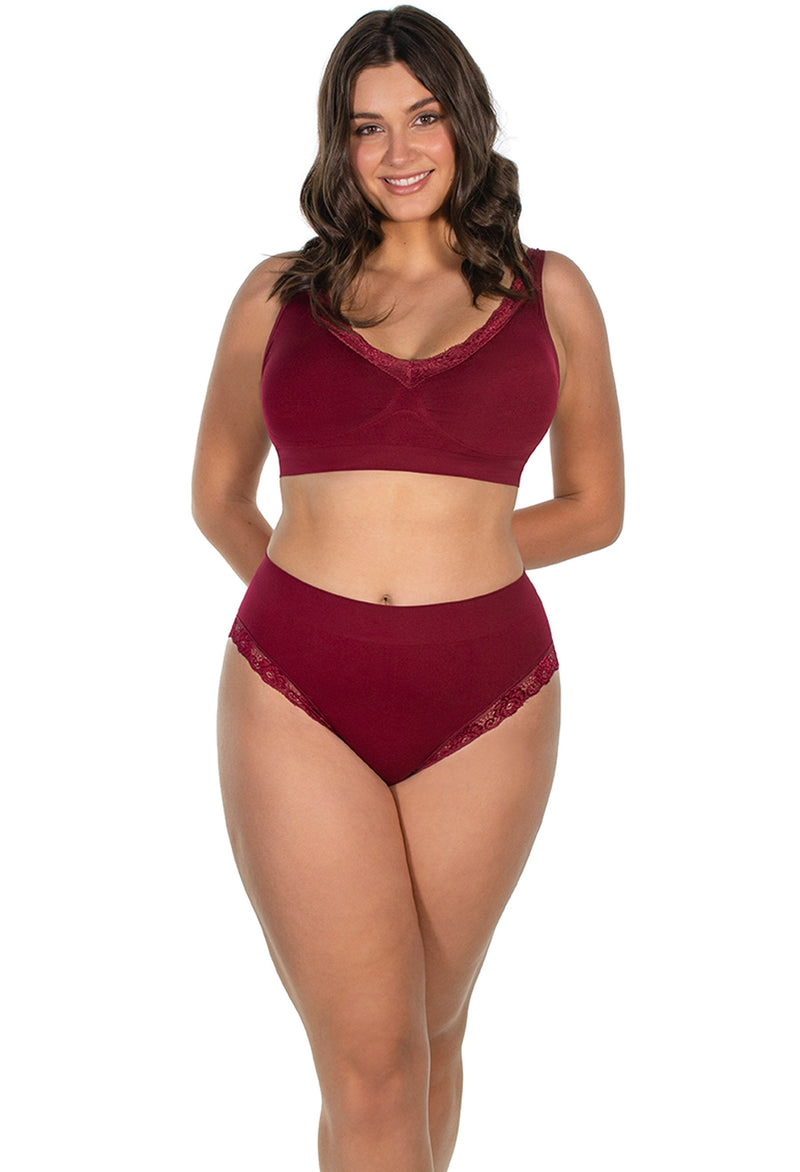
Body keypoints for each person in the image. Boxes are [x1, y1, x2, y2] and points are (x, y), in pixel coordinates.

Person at [192, 6, 623, 1169]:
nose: (396, 151)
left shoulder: (550, 291)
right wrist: (316, 600)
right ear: (335, 143)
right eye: (365, 125)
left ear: (463, 123)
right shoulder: (277, 292)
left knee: (430, 1034)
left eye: (421, 117)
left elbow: (595, 506)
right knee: (372, 1065)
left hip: (487, 696)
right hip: (294, 690)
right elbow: (219, 495)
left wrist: (460, 549)